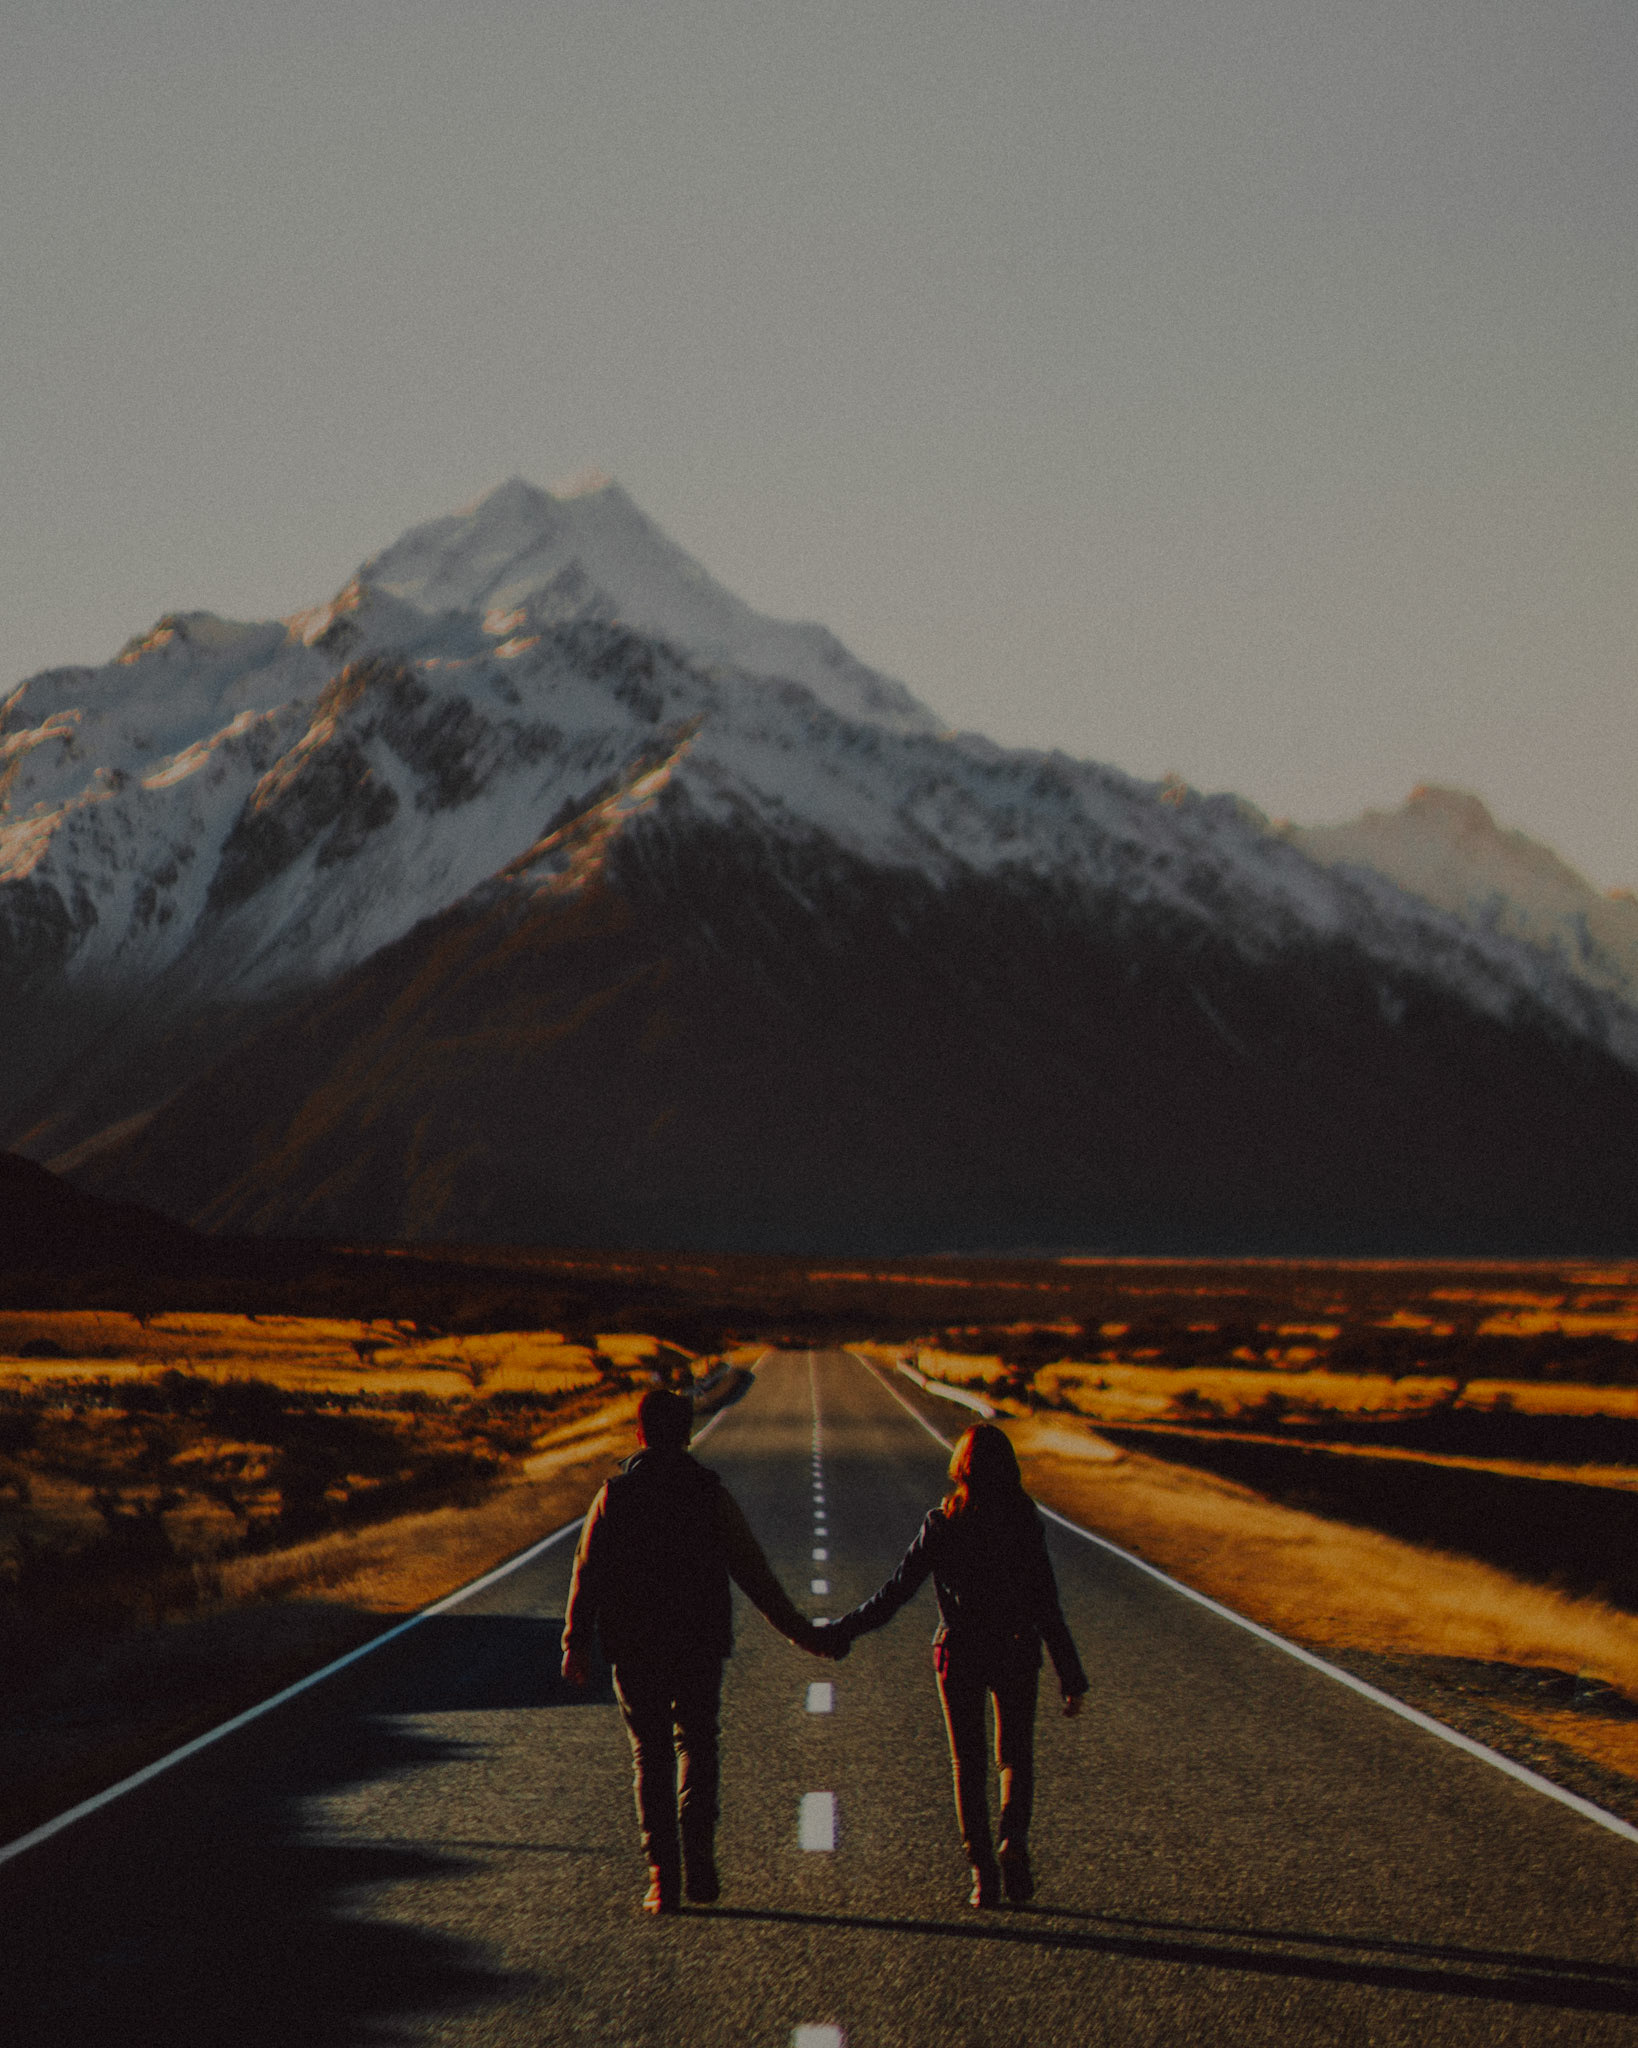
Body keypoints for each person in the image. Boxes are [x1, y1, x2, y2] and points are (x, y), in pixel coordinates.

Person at [561, 1387, 834, 1914]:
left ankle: (662, 1876)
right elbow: (753, 1573)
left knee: (652, 1755)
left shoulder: (614, 1496)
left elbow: (586, 1571)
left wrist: (576, 1641)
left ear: (638, 1434)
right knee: (698, 1745)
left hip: (634, 1645)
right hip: (698, 1643)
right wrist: (801, 1631)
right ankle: (700, 1857)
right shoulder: (709, 1493)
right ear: (686, 1435)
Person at [819, 1422, 1087, 1908]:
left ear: (961, 1468)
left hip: (959, 1650)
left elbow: (895, 1594)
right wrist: (1071, 1674)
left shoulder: (942, 1522)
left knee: (968, 1762)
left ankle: (982, 1873)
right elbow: (1046, 1600)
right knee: (1014, 1757)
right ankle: (1014, 1840)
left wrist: (844, 1632)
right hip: (1015, 1646)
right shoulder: (1024, 1520)